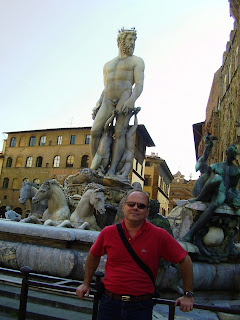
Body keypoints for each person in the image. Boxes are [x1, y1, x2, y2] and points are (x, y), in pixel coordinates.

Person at [76, 190, 194, 319]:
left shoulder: (159, 235)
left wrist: (188, 294)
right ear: (123, 207)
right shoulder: (108, 232)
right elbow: (93, 255)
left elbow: (185, 260)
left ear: (147, 211)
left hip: (140, 306)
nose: (135, 208)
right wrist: (86, 283)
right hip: (109, 303)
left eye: (141, 206)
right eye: (131, 204)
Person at [90, 28, 145, 176]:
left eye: (134, 40)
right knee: (95, 131)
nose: (133, 43)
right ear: (120, 41)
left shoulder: (137, 61)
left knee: (119, 133)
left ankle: (113, 169)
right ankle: (95, 166)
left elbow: (139, 85)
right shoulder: (108, 65)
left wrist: (131, 100)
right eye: (129, 39)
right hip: (107, 99)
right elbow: (105, 87)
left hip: (125, 98)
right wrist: (98, 103)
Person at [184, 144, 240, 242]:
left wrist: (236, 199)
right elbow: (202, 169)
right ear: (227, 154)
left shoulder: (236, 171)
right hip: (214, 189)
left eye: (234, 154)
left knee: (214, 205)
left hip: (224, 193)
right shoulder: (216, 166)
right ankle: (199, 197)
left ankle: (191, 233)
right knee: (217, 178)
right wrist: (207, 149)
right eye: (231, 154)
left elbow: (233, 188)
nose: (233, 156)